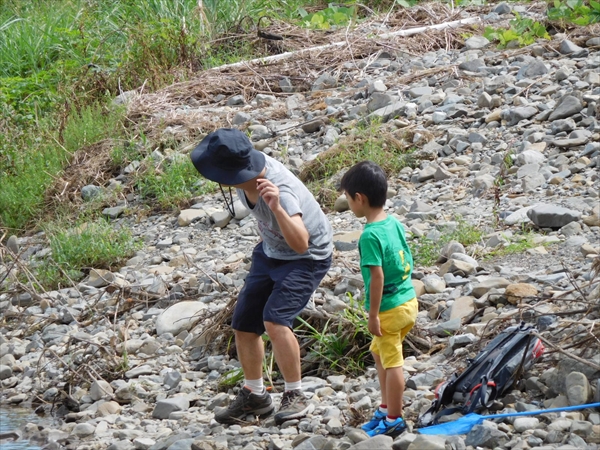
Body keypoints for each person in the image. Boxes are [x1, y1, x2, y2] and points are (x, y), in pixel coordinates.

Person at [190, 128, 333, 425]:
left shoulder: (280, 188)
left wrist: (277, 208)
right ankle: (255, 396)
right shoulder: (246, 173)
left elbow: (301, 243)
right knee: (243, 322)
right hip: (270, 252)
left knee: (275, 319)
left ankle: (295, 394)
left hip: (306, 258)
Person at [339, 161, 418, 438]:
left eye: (348, 198)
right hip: (408, 301)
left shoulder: (370, 235)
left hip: (388, 308)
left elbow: (378, 277)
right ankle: (385, 409)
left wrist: (373, 314)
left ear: (359, 198)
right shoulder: (392, 222)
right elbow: (406, 256)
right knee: (379, 352)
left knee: (393, 360)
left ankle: (395, 419)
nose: (348, 203)